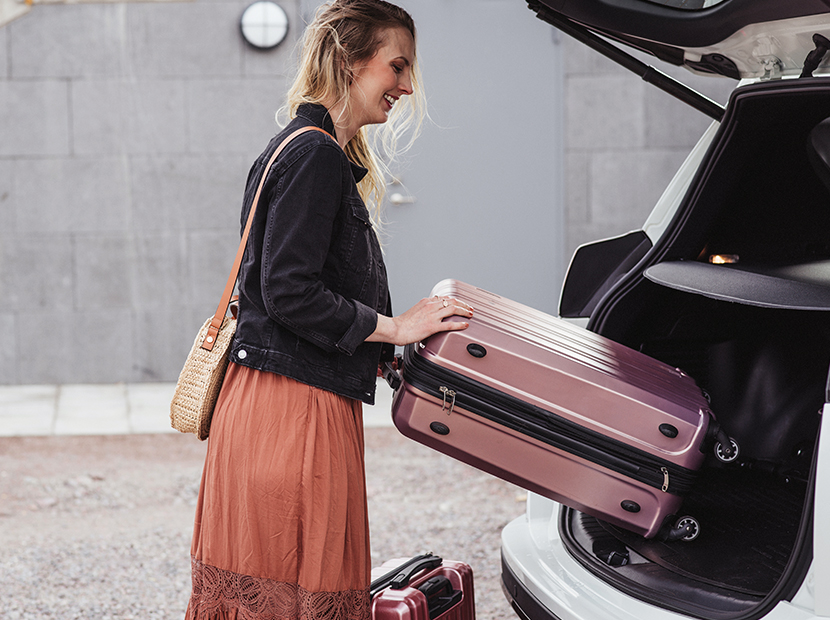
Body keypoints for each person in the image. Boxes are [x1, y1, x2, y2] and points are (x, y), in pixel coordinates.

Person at [185, 1, 473, 618]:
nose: (406, 85)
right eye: (397, 65)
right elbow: (289, 291)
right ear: (349, 59)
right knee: (298, 592)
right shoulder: (314, 153)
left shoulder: (298, 147)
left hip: (272, 403)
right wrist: (395, 327)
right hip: (293, 413)